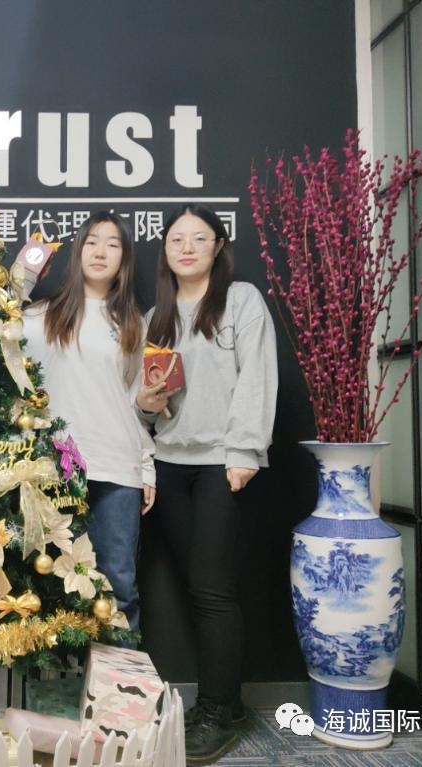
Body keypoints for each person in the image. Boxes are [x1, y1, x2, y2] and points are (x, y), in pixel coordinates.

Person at [137, 205, 277, 765]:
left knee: (214, 590)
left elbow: (256, 377)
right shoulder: (156, 316)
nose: (188, 247)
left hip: (222, 462)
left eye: (199, 238)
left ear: (218, 246)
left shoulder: (241, 301)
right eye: (177, 239)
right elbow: (147, 406)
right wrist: (147, 404)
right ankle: (222, 703)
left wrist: (244, 450)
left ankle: (218, 710)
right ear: (165, 250)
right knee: (197, 588)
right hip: (170, 464)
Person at [22, 211, 155, 633]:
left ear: (124, 259)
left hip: (116, 468)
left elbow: (133, 402)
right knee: (48, 589)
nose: (101, 251)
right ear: (78, 250)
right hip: (52, 468)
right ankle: (60, 680)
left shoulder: (133, 323)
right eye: (92, 241)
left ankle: (119, 678)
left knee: (119, 587)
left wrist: (146, 465)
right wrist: (25, 273)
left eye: (113, 244)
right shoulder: (40, 316)